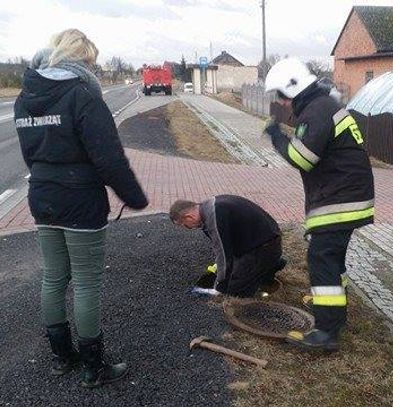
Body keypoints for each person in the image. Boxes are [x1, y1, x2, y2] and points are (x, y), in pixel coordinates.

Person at [14, 29, 148, 387]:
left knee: (54, 278)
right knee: (87, 283)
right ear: (83, 59)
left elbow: (30, 155)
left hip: (41, 196)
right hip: (79, 199)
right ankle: (93, 366)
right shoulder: (82, 94)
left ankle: (62, 358)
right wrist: (134, 196)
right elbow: (109, 158)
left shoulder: (25, 97)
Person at [263, 58, 375, 351]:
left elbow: (302, 158)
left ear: (293, 90)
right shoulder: (322, 106)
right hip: (348, 194)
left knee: (321, 258)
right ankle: (334, 310)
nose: (282, 104)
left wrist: (276, 136)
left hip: (340, 197)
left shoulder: (316, 110)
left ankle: (326, 332)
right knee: (332, 257)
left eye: (281, 97)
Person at [169, 195, 286, 297]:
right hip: (262, 240)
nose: (188, 228)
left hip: (265, 247)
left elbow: (223, 253)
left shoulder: (214, 217)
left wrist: (219, 287)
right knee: (234, 270)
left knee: (233, 290)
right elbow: (226, 244)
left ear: (189, 217)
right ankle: (269, 264)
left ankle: (271, 264)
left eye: (185, 225)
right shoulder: (210, 206)